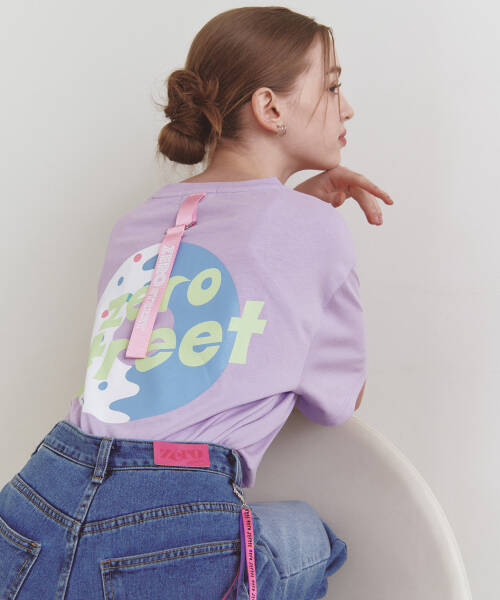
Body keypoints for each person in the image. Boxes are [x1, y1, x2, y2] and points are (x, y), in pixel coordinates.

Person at [0, 6, 393, 599]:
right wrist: (306, 218)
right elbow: (338, 402)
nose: (348, 107)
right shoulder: (315, 230)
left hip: (39, 493)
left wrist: (295, 207)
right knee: (316, 541)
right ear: (270, 108)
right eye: (333, 87)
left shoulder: (137, 220)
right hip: (172, 511)